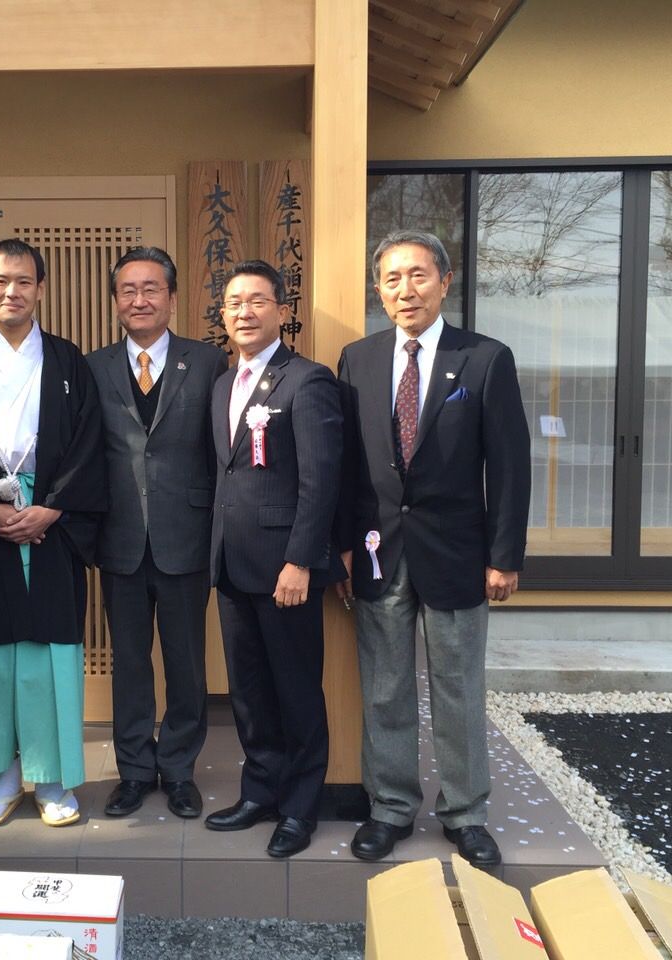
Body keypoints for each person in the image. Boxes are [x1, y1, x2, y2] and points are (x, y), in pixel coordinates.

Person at [336, 230, 530, 868]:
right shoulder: (358, 359)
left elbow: (509, 465)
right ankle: (391, 806)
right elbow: (347, 465)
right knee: (385, 686)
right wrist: (342, 546)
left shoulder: (485, 358)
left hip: (457, 554)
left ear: (444, 282)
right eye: (392, 279)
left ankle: (466, 812)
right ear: (379, 291)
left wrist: (505, 555)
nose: (405, 290)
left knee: (458, 686)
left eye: (417, 275)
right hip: (379, 551)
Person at [0, 238, 106, 828]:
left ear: (40, 289)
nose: (12, 292)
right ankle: (4, 774)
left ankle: (53, 776)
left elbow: (90, 443)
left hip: (52, 528)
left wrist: (52, 509)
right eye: (1, 281)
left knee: (48, 653)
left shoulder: (67, 360)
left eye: (24, 281)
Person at [204, 259, 343, 859]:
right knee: (249, 691)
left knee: (296, 690)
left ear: (282, 311)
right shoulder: (222, 385)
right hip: (232, 564)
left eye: (257, 300)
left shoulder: (306, 381)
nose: (244, 312)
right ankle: (259, 790)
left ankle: (300, 806)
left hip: (285, 569)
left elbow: (321, 479)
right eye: (234, 302)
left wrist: (301, 561)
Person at [86, 247, 228, 819]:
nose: (139, 300)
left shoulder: (208, 361)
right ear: (115, 300)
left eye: (151, 289)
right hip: (119, 537)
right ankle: (134, 770)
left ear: (171, 297)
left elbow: (222, 450)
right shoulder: (92, 367)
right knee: (129, 662)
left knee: (186, 662)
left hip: (186, 534)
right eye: (128, 290)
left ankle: (179, 769)